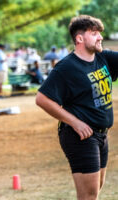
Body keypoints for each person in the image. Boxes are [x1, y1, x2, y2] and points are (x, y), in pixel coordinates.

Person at [36, 15, 118, 200]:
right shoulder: (66, 68)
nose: (100, 37)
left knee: (96, 190)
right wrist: (75, 123)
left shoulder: (102, 57)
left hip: (101, 134)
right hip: (80, 136)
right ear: (79, 38)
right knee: (88, 195)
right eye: (94, 33)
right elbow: (42, 99)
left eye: (100, 34)